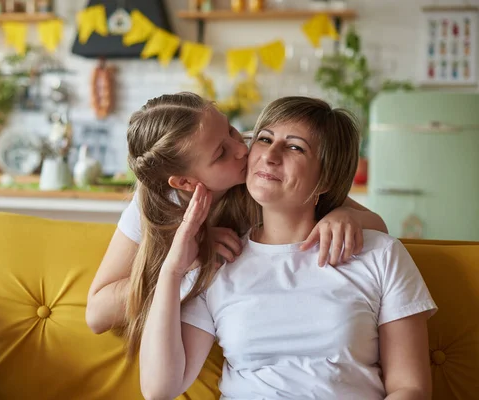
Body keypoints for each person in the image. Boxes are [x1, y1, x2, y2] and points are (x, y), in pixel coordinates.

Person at [139, 96, 437, 400]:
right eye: (265, 139)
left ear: (326, 179)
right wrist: (172, 271)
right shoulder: (218, 260)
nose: (270, 155)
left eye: (295, 147)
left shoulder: (381, 254)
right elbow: (159, 389)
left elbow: (409, 388)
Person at [86, 92, 388, 337]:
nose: (242, 150)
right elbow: (97, 314)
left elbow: (379, 226)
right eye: (221, 152)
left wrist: (345, 216)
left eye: (232, 131)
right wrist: (191, 261)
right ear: (186, 183)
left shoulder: (265, 181)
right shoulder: (156, 202)